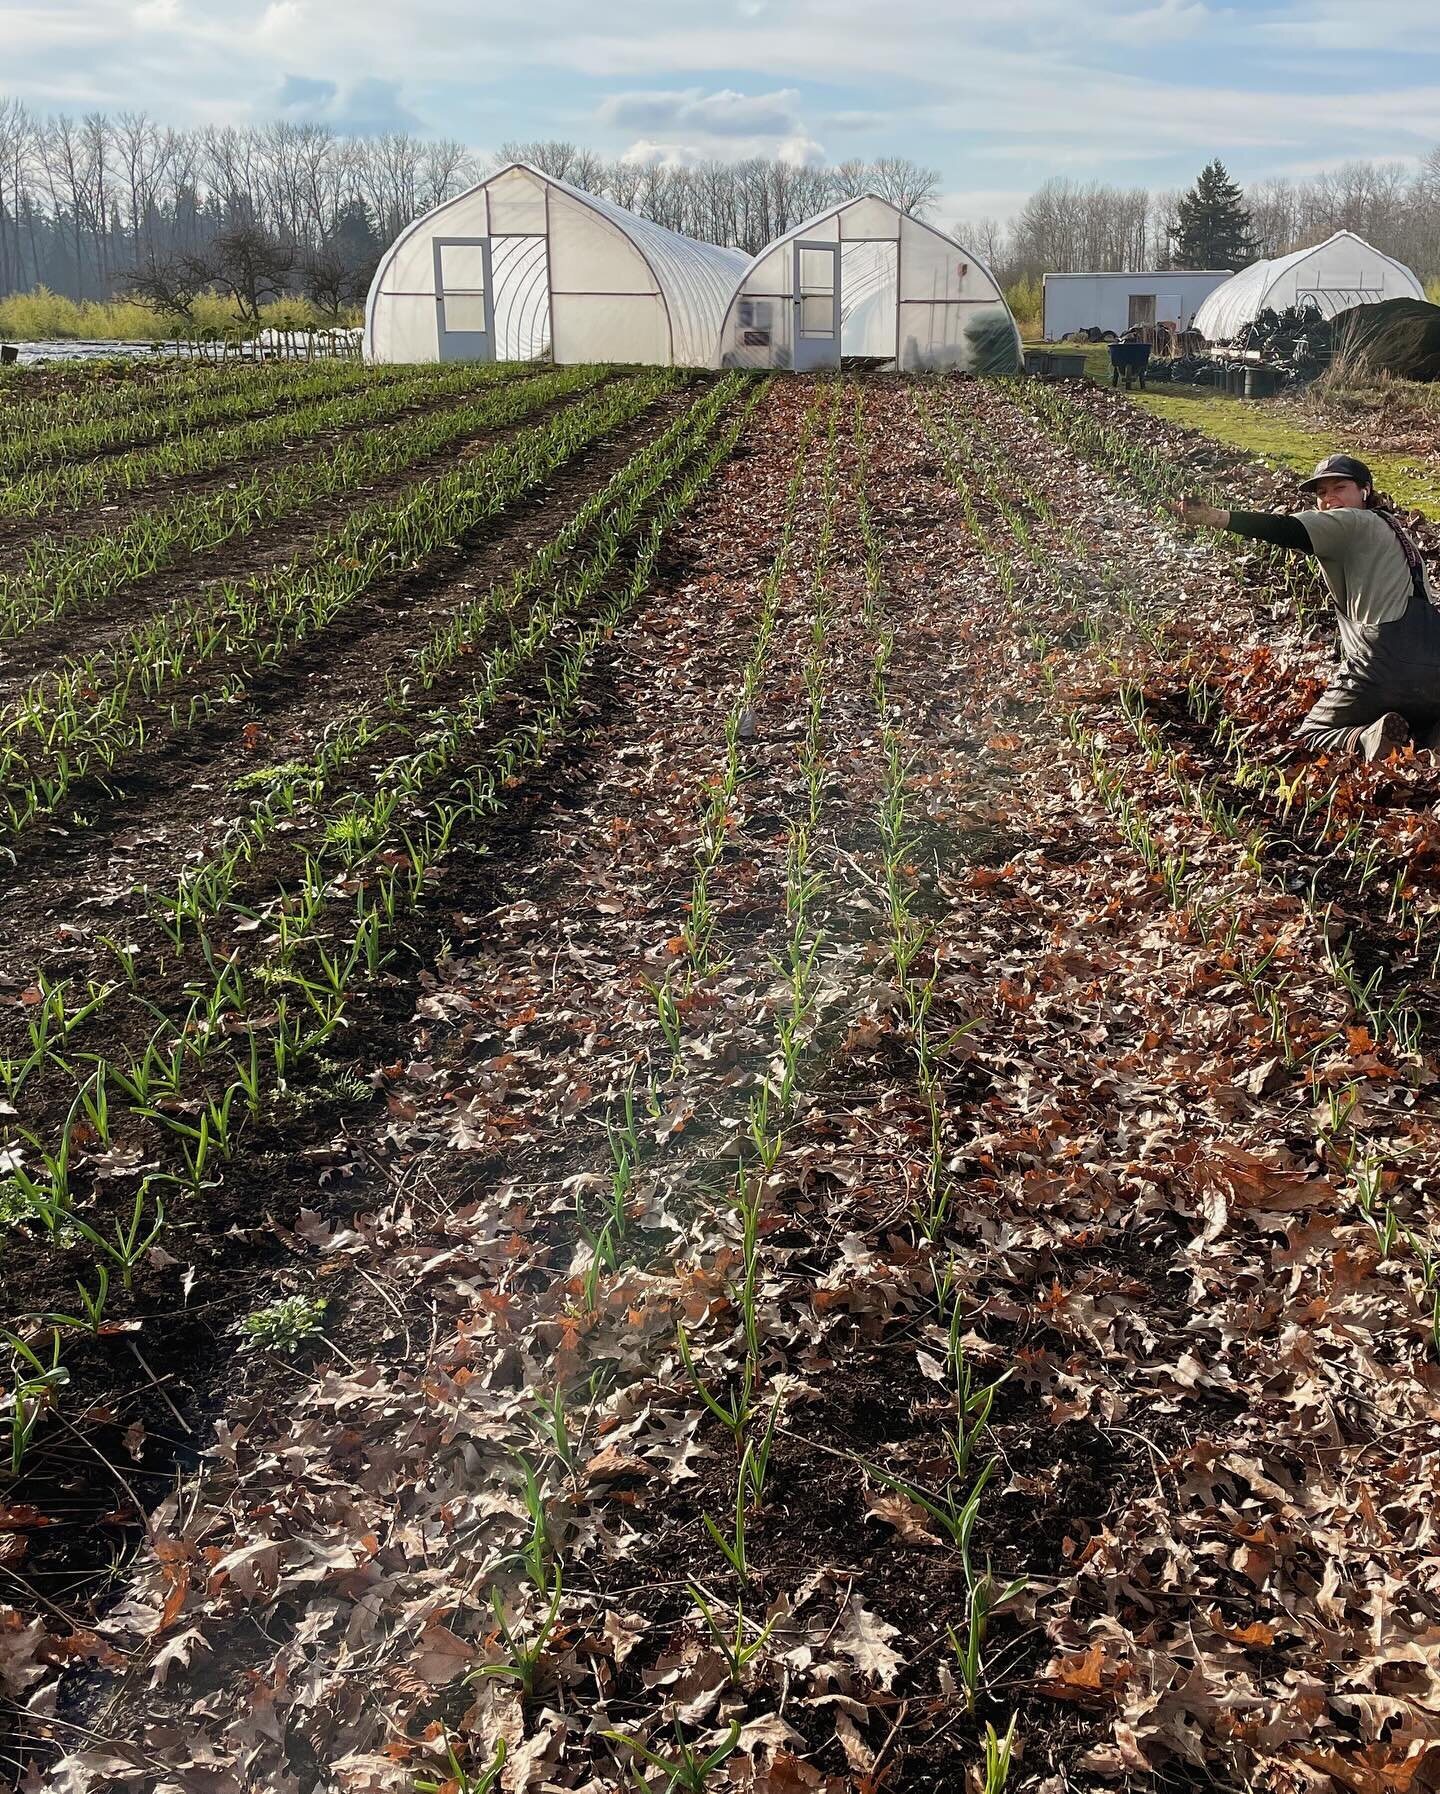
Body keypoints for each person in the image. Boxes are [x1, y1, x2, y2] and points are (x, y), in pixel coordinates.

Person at [1173, 454, 1440, 758]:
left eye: (1340, 487)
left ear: (1365, 491)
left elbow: (1288, 529)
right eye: (1322, 493)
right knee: (1420, 719)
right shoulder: (1397, 532)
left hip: (1383, 661)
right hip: (1435, 664)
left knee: (1310, 736)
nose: (1330, 499)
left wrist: (1217, 517)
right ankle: (1432, 738)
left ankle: (1366, 739)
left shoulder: (1351, 521)